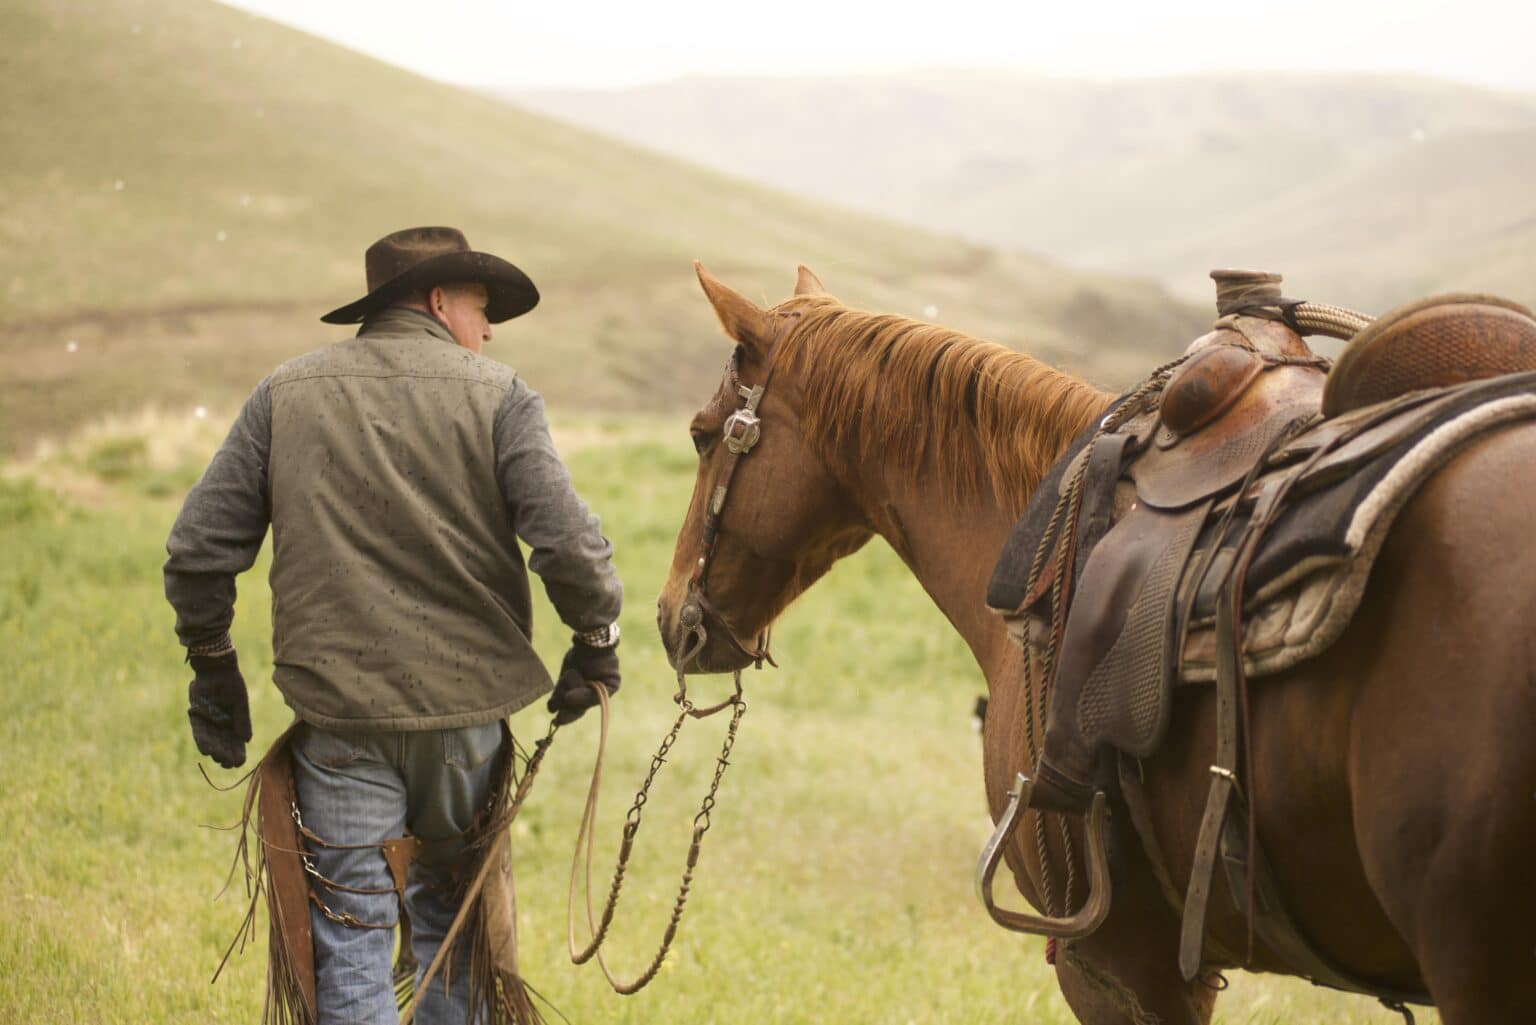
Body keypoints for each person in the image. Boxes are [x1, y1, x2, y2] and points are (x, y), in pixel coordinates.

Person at [164, 226, 623, 1024]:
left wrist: (213, 667)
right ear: (441, 301)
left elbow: (199, 548)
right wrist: (595, 645)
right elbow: (572, 546)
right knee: (457, 932)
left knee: (351, 944)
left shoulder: (285, 391)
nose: (488, 332)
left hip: (338, 723)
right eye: (483, 311)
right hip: (467, 727)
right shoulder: (502, 395)